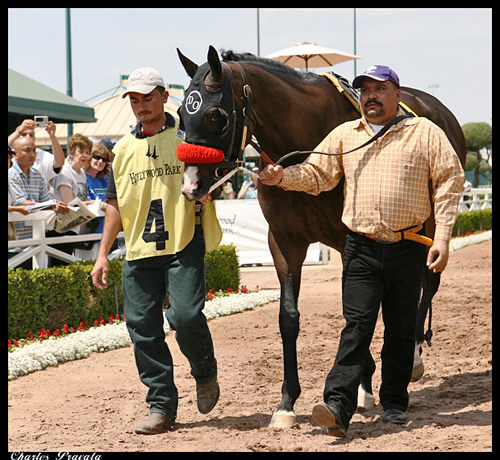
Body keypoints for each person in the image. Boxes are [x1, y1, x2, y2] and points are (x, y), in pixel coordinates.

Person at [259, 65, 464, 437]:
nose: (371, 95)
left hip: (409, 246)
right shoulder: (344, 135)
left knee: (400, 328)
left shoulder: (425, 133)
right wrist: (282, 177)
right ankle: (337, 405)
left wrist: (444, 237)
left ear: (397, 95)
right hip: (360, 248)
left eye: (380, 89)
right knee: (357, 326)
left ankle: (395, 402)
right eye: (365, 89)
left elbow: (451, 180)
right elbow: (317, 176)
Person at [90, 67, 222, 435]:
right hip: (138, 250)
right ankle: (161, 406)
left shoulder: (188, 137)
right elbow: (114, 205)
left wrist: (208, 192)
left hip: (183, 240)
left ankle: (204, 369)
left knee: (184, 315)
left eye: (148, 97)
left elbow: (214, 179)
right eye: (134, 99)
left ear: (165, 96)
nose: (141, 106)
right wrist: (102, 254)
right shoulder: (122, 151)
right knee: (142, 329)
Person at [8, 137, 69, 240]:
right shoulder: (11, 174)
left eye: (34, 150)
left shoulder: (37, 174)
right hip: (17, 241)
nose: (32, 154)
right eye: (27, 150)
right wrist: (51, 205)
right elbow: (21, 203)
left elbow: (47, 201)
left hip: (37, 238)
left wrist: (57, 205)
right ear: (16, 153)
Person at [8, 118, 66, 189]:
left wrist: (52, 136)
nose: (28, 137)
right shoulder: (11, 155)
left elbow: (59, 163)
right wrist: (19, 131)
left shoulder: (43, 156)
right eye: (24, 134)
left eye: (31, 135)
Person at [84, 143, 113, 233]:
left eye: (104, 159)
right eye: (97, 157)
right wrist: (105, 206)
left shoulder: (105, 181)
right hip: (93, 233)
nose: (100, 161)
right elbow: (88, 203)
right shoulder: (82, 178)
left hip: (110, 230)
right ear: (89, 158)